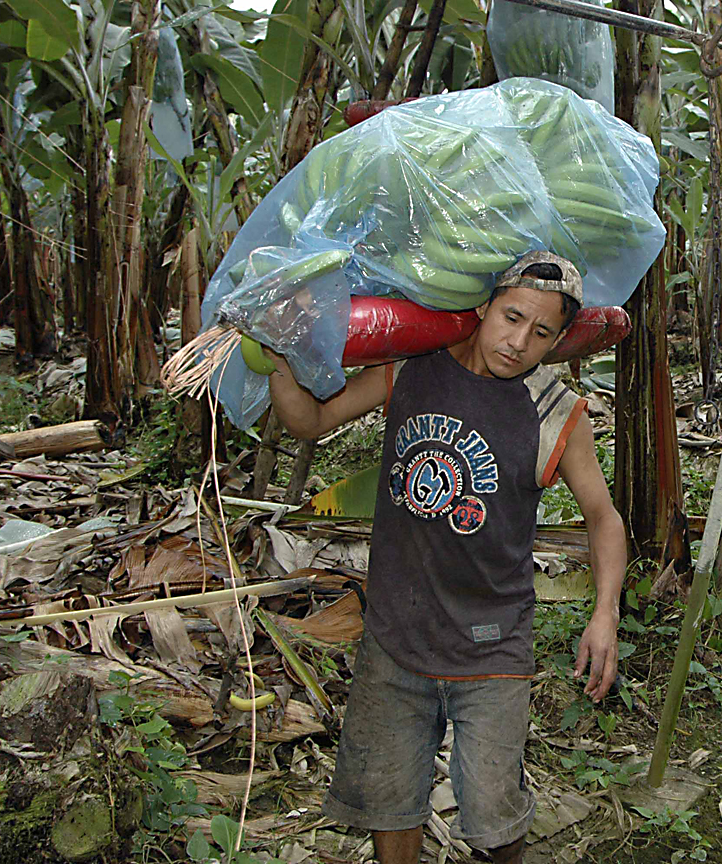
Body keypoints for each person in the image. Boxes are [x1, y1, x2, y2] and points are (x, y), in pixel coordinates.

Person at [266, 251, 627, 864]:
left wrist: (605, 615)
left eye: (541, 333)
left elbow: (603, 517)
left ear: (560, 340)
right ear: (483, 306)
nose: (518, 342)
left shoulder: (554, 412)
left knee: (493, 818)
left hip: (492, 646)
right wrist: (278, 357)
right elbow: (314, 419)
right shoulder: (411, 371)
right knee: (390, 802)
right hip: (395, 637)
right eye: (511, 317)